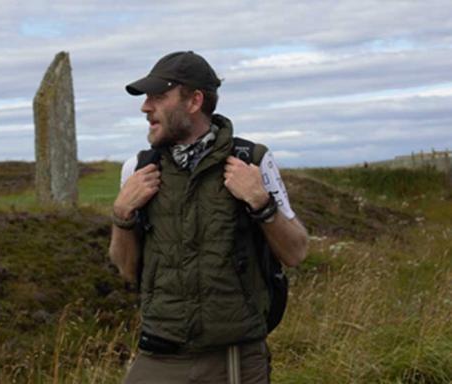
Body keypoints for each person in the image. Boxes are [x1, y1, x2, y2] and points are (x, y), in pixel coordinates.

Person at [109, 51, 308, 384]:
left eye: (158, 96)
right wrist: (121, 215)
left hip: (234, 359)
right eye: (146, 98)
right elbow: (127, 270)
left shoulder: (253, 160)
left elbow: (296, 252)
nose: (146, 107)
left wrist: (262, 203)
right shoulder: (138, 168)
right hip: (159, 352)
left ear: (194, 100)